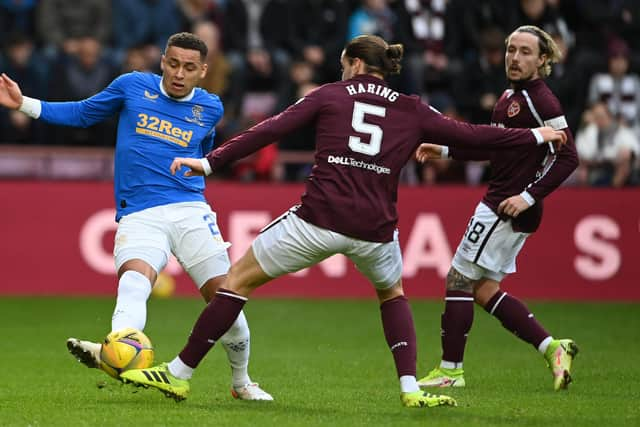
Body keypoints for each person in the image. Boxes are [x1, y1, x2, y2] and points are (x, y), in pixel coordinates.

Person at [119, 34, 567, 407]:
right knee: (392, 292)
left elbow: (270, 129)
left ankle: (178, 374)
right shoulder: (411, 107)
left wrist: (210, 163)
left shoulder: (330, 94)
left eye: (342, 64)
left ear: (353, 64)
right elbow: (472, 134)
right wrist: (534, 134)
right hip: (375, 230)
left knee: (235, 280)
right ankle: (411, 389)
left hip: (318, 217)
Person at [0, 32, 272, 401]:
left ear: (203, 71)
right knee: (134, 282)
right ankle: (117, 351)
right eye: (173, 64)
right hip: (140, 212)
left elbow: (203, 153)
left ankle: (242, 383)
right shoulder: (132, 86)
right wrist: (23, 104)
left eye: (189, 67)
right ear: (162, 61)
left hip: (190, 210)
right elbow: (82, 113)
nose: (179, 73)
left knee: (226, 303)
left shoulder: (211, 108)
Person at [414, 25, 579, 391]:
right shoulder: (509, 96)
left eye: (524, 52)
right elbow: (495, 147)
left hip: (507, 204)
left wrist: (528, 196)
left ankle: (450, 371)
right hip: (507, 200)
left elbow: (569, 157)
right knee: (484, 289)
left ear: (542, 60)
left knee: (458, 279)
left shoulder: (542, 100)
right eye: (511, 50)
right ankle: (553, 347)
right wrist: (445, 150)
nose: (514, 58)